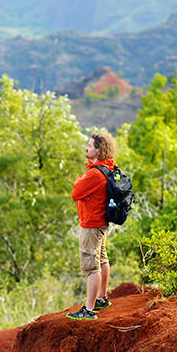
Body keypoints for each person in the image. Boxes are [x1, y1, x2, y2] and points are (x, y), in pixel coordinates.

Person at [66, 131, 116, 320]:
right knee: (102, 259)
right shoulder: (107, 168)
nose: (86, 148)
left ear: (98, 150)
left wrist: (79, 181)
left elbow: (75, 192)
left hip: (91, 224)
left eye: (89, 146)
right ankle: (101, 298)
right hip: (100, 222)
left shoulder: (95, 174)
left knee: (91, 267)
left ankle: (88, 309)